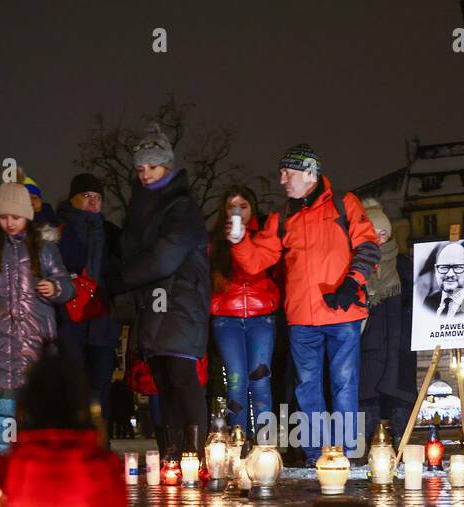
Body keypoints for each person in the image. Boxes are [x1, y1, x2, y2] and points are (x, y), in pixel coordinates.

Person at [228, 144, 380, 459]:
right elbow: (257, 261)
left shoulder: (344, 203)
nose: (281, 179)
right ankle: (315, 456)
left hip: (341, 313)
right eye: (281, 172)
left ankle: (346, 454)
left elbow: (368, 245)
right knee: (307, 390)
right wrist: (239, 241)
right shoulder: (282, 216)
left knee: (344, 386)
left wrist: (353, 283)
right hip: (301, 319)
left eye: (288, 172)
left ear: (309, 173)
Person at [110, 124, 210, 460]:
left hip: (181, 301)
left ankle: (196, 457)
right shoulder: (142, 207)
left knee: (182, 378)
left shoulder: (182, 207)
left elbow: (164, 257)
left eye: (152, 167)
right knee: (163, 383)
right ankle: (171, 458)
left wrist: (121, 278)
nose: (146, 175)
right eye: (140, 169)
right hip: (154, 305)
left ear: (167, 166)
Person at [0, 181, 73, 459]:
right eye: (3, 217)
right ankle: (3, 459)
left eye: (16, 217)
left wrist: (55, 288)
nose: (9, 223)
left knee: (40, 406)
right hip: (0, 338)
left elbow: (65, 283)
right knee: (6, 407)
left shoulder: (45, 249)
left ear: (27, 216)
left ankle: (43, 460)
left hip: (37, 337)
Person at [210, 185, 281, 437]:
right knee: (236, 383)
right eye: (231, 207)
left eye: (243, 206)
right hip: (226, 320)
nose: (237, 212)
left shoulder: (264, 237)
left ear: (252, 209)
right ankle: (238, 442)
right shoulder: (214, 241)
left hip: (261, 318)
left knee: (261, 382)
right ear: (224, 211)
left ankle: (265, 446)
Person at [56, 173, 120, 414]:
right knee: (71, 382)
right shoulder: (58, 229)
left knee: (101, 382)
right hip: (68, 316)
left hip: (102, 317)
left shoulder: (110, 232)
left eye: (98, 197)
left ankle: (99, 442)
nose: (93, 202)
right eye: (86, 196)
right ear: (72, 199)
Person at [358, 199, 416, 444]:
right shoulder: (357, 265)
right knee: (367, 399)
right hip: (368, 346)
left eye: (383, 233)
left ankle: (402, 447)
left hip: (399, 344)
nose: (379, 239)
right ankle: (367, 448)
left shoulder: (402, 264)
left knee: (400, 396)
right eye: (373, 233)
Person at [421, 241, 464, 315]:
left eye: (457, 267)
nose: (450, 274)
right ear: (436, 269)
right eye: (444, 267)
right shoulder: (428, 303)